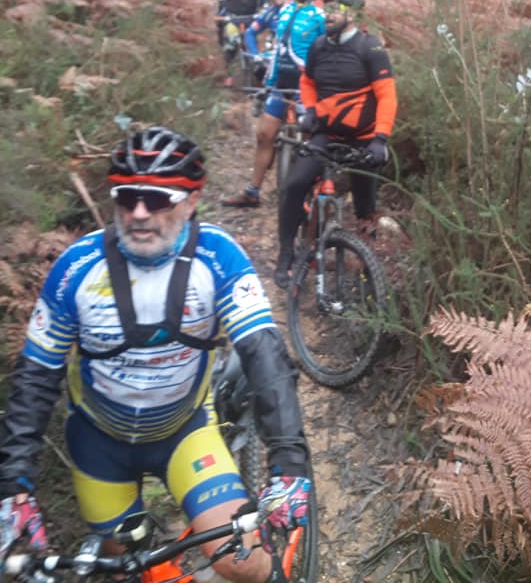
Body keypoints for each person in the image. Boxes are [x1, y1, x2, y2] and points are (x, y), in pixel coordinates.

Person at [0, 126, 310, 583]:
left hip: (185, 434)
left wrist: (289, 463)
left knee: (240, 562)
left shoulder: (219, 257)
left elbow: (264, 355)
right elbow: (35, 379)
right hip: (98, 448)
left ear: (191, 201)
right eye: (126, 197)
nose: (139, 213)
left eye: (159, 198)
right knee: (140, 570)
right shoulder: (76, 269)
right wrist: (15, 485)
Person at [274, 0, 397, 288]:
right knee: (294, 185)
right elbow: (307, 81)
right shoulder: (318, 47)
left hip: (364, 139)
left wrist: (380, 139)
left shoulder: (371, 48)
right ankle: (287, 253)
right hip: (326, 136)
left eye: (335, 9)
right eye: (325, 8)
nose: (327, 14)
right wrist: (311, 110)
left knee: (366, 210)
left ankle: (369, 274)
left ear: (352, 14)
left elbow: (387, 97)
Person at [223, 0, 325, 210]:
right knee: (264, 135)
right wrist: (266, 76)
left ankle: (315, 194)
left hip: (305, 88)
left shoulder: (320, 14)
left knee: (312, 142)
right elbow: (278, 48)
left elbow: (326, 51)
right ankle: (252, 192)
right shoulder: (285, 10)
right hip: (280, 85)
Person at [213, 0, 265, 86]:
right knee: (231, 43)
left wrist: (263, 10)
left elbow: (265, 2)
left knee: (253, 46)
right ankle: (229, 74)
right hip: (233, 18)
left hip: (250, 19)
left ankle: (257, 75)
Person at [244, 0, 289, 84]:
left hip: (298, 58)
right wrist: (255, 55)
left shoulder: (301, 9)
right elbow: (249, 33)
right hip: (276, 57)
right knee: (259, 69)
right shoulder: (269, 14)